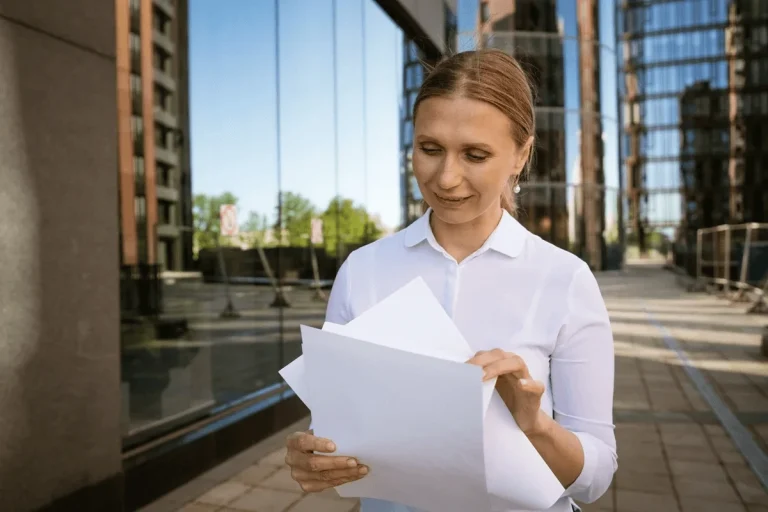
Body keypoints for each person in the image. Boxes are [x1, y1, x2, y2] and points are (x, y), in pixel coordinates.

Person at [284, 49, 617, 512]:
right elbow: (337, 437)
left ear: (521, 154)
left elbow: (594, 480)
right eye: (430, 148)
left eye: (475, 154)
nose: (446, 177)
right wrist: (313, 458)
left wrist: (536, 426)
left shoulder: (565, 280)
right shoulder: (362, 271)